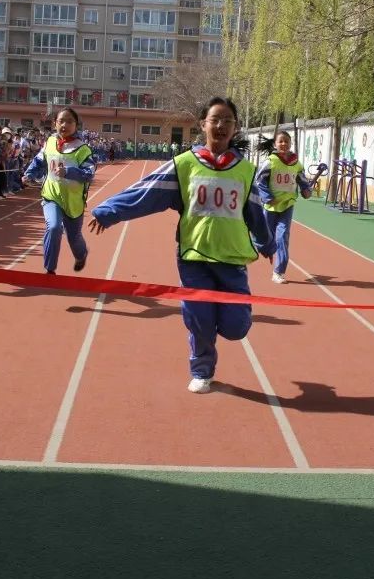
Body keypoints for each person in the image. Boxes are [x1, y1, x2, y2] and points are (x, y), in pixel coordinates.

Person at [88, 97, 275, 394]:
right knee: (199, 319)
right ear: (203, 125)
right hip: (193, 256)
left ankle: (216, 325)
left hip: (232, 259)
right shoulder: (184, 165)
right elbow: (146, 192)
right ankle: (202, 370)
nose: (221, 125)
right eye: (215, 119)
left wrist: (267, 243)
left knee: (236, 327)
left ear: (235, 127)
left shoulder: (245, 171)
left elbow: (255, 214)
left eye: (228, 120)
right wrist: (108, 211)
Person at [22, 108, 95, 274]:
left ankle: (81, 255)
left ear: (76, 125)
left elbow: (89, 174)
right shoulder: (49, 142)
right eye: (61, 121)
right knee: (54, 227)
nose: (65, 125)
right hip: (51, 196)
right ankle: (50, 269)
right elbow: (40, 160)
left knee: (74, 237)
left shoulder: (82, 149)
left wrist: (69, 172)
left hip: (73, 201)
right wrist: (29, 173)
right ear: (55, 123)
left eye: (70, 121)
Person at [256, 130, 313, 284]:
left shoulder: (296, 164)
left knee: (282, 237)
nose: (283, 144)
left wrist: (306, 190)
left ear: (290, 144)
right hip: (270, 206)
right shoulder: (270, 162)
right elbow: (259, 181)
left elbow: (302, 180)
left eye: (286, 141)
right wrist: (268, 197)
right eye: (280, 141)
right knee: (265, 237)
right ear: (275, 144)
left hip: (287, 204)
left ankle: (278, 272)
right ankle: (259, 245)